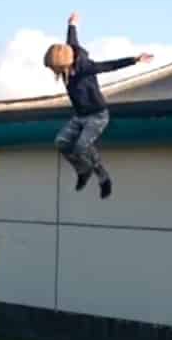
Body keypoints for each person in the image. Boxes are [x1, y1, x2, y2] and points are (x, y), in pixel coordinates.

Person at [43, 12, 153, 199]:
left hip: (97, 115)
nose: (56, 73)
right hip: (79, 116)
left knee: (80, 147)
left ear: (63, 65)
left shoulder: (85, 66)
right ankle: (83, 171)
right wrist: (72, 24)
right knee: (60, 142)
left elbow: (109, 66)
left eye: (56, 70)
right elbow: (71, 39)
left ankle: (103, 178)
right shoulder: (70, 51)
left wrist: (134, 60)